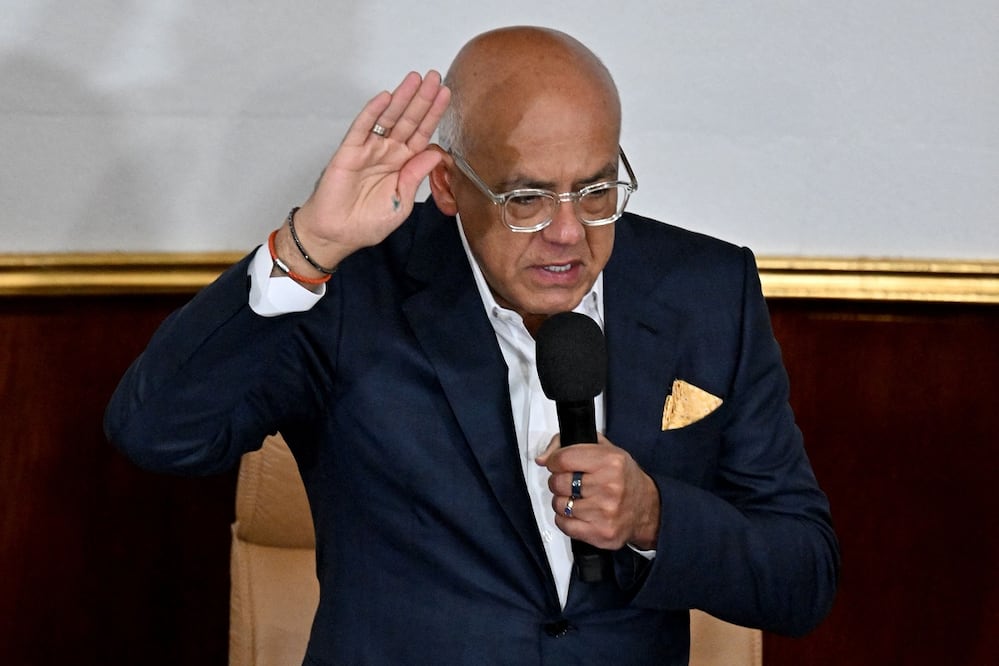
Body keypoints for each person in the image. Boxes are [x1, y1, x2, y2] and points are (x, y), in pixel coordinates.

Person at [106, 25, 838, 665]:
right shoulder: (351, 291)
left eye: (594, 191)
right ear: (451, 186)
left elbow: (802, 576)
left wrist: (653, 516)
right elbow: (157, 434)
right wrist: (309, 248)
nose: (567, 233)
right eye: (526, 199)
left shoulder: (703, 290)